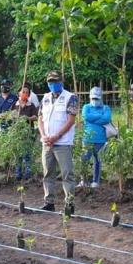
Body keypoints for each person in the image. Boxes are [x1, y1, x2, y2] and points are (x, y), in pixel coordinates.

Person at [38, 70, 78, 215]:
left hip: (63, 143)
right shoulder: (46, 98)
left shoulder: (70, 97)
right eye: (50, 82)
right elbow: (40, 119)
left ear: (61, 82)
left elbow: (71, 121)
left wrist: (56, 136)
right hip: (47, 143)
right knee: (47, 173)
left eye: (55, 81)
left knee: (67, 174)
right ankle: (49, 202)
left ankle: (69, 205)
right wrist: (43, 136)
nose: (52, 84)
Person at [79, 86, 111, 188]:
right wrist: (99, 116)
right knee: (84, 160)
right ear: (90, 97)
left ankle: (95, 181)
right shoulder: (86, 107)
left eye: (97, 98)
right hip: (87, 139)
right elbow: (86, 117)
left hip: (101, 139)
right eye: (93, 98)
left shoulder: (106, 108)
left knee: (97, 161)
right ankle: (83, 181)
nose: (95, 100)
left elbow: (106, 119)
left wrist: (92, 118)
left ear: (101, 98)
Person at [11, 85, 38, 180]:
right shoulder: (15, 104)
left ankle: (28, 173)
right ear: (19, 93)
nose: (25, 94)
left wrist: (28, 118)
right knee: (18, 154)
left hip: (28, 133)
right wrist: (14, 117)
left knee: (27, 153)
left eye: (27, 92)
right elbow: (10, 116)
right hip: (17, 133)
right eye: (23, 92)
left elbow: (36, 117)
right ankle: (18, 173)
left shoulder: (31, 105)